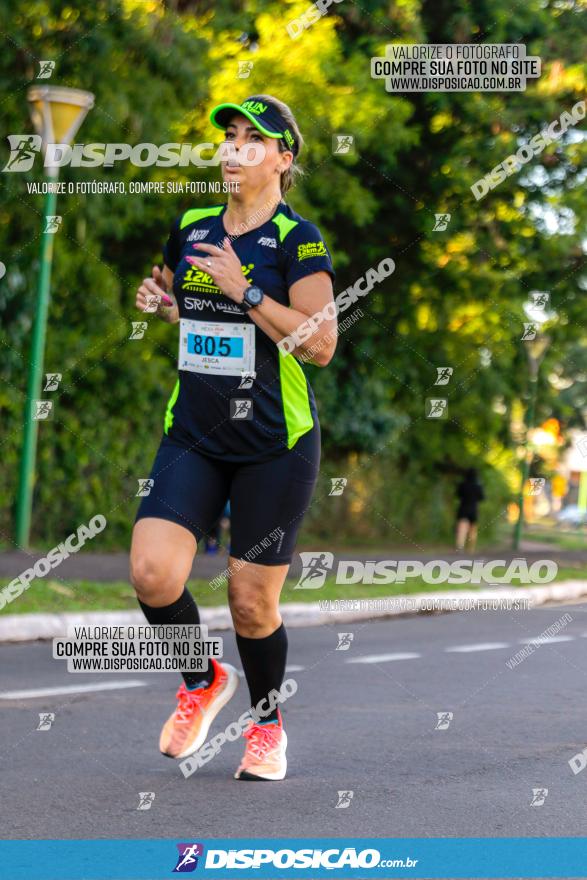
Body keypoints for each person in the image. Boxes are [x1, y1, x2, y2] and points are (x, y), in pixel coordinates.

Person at [130, 94, 336, 781]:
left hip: (274, 445)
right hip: (193, 432)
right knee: (153, 575)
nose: (233, 149)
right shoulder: (190, 225)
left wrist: (247, 290)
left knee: (250, 603)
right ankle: (200, 678)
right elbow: (192, 308)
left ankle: (267, 726)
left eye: (254, 140)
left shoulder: (298, 240)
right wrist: (165, 305)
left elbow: (320, 344)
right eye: (229, 137)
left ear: (282, 159)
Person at [455, 468, 485, 552]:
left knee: (462, 528)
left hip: (463, 508)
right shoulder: (478, 486)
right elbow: (482, 498)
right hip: (473, 509)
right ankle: (471, 549)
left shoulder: (462, 484)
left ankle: (460, 546)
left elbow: (458, 495)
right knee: (472, 530)